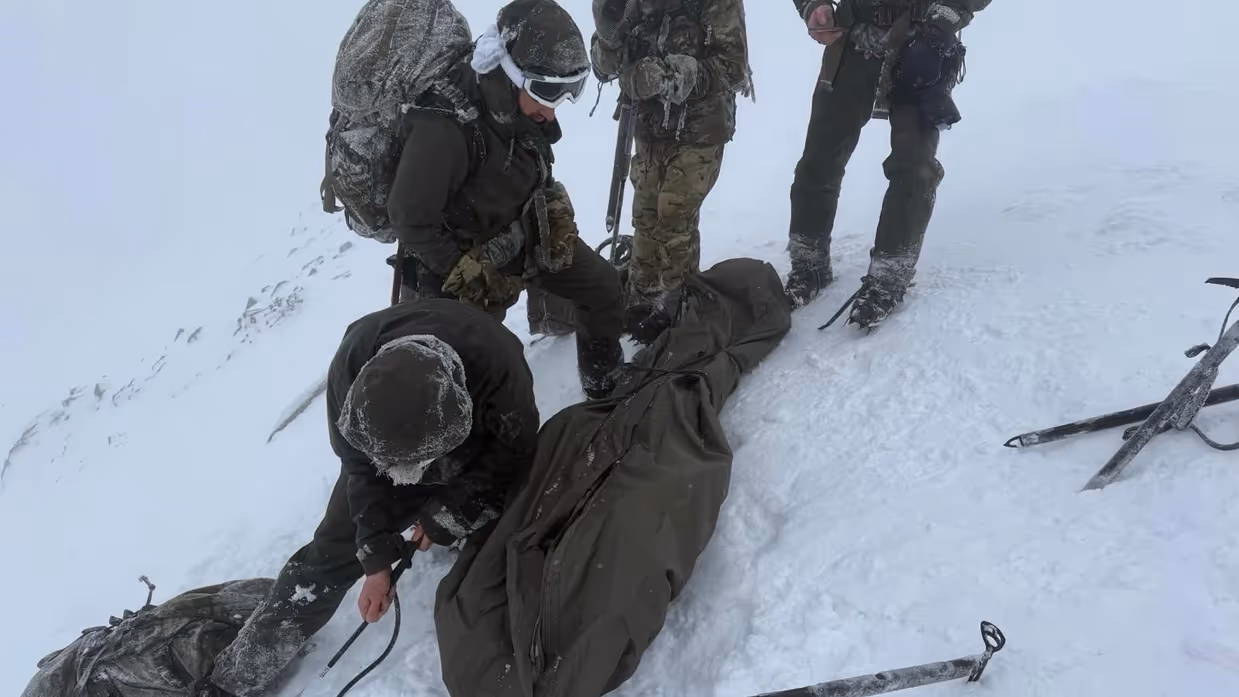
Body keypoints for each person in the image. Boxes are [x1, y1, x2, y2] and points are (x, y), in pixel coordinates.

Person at [202, 299, 540, 696]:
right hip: (394, 445)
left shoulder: (500, 368)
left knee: (501, 525)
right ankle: (235, 680)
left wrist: (449, 515)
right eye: (394, 469)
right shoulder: (352, 368)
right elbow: (360, 470)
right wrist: (375, 558)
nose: (404, 480)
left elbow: (511, 457)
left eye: (412, 469)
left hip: (473, 446)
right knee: (328, 556)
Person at [392, 0, 624, 398]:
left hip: (524, 232)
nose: (553, 110)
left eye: (568, 92)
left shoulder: (515, 106)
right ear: (510, 74)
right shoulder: (444, 128)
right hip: (463, 264)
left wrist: (547, 208)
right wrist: (469, 276)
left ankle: (603, 386)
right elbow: (409, 218)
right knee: (471, 373)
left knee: (604, 289)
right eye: (548, 91)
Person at [785, 0, 991, 329]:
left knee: (913, 165)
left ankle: (889, 277)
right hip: (854, 37)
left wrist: (939, 29)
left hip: (922, 40)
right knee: (819, 156)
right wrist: (813, 6)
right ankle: (808, 264)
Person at [589, 0, 753, 343]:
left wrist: (667, 75)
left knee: (674, 215)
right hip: (649, 127)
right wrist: (608, 32)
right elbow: (604, 68)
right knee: (646, 215)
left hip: (700, 128)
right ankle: (641, 301)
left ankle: (679, 312)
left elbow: (732, 68)